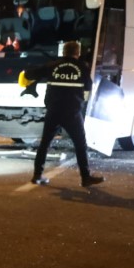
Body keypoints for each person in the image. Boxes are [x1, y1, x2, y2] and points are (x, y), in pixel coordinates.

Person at [22, 40, 104, 187]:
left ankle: (37, 175)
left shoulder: (53, 66)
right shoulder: (82, 67)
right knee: (80, 144)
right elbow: (88, 86)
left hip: (53, 111)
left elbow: (29, 74)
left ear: (63, 52)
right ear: (77, 53)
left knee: (45, 144)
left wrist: (27, 73)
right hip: (72, 113)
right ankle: (85, 177)